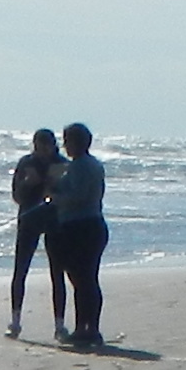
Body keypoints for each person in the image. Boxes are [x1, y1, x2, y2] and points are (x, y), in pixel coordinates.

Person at [47, 120, 110, 348]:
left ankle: (87, 329)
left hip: (81, 226)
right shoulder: (92, 164)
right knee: (86, 279)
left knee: (83, 280)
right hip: (91, 225)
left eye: (67, 141)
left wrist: (54, 196)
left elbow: (78, 197)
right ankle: (87, 328)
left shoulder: (80, 166)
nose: (65, 146)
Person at [5, 127, 65, 339]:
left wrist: (54, 188)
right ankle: (15, 321)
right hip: (29, 219)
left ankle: (59, 325)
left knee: (57, 273)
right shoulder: (26, 162)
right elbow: (17, 195)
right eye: (39, 146)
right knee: (20, 270)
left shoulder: (61, 163)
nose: (43, 151)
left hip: (54, 220)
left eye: (46, 146)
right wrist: (28, 183)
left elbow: (67, 193)